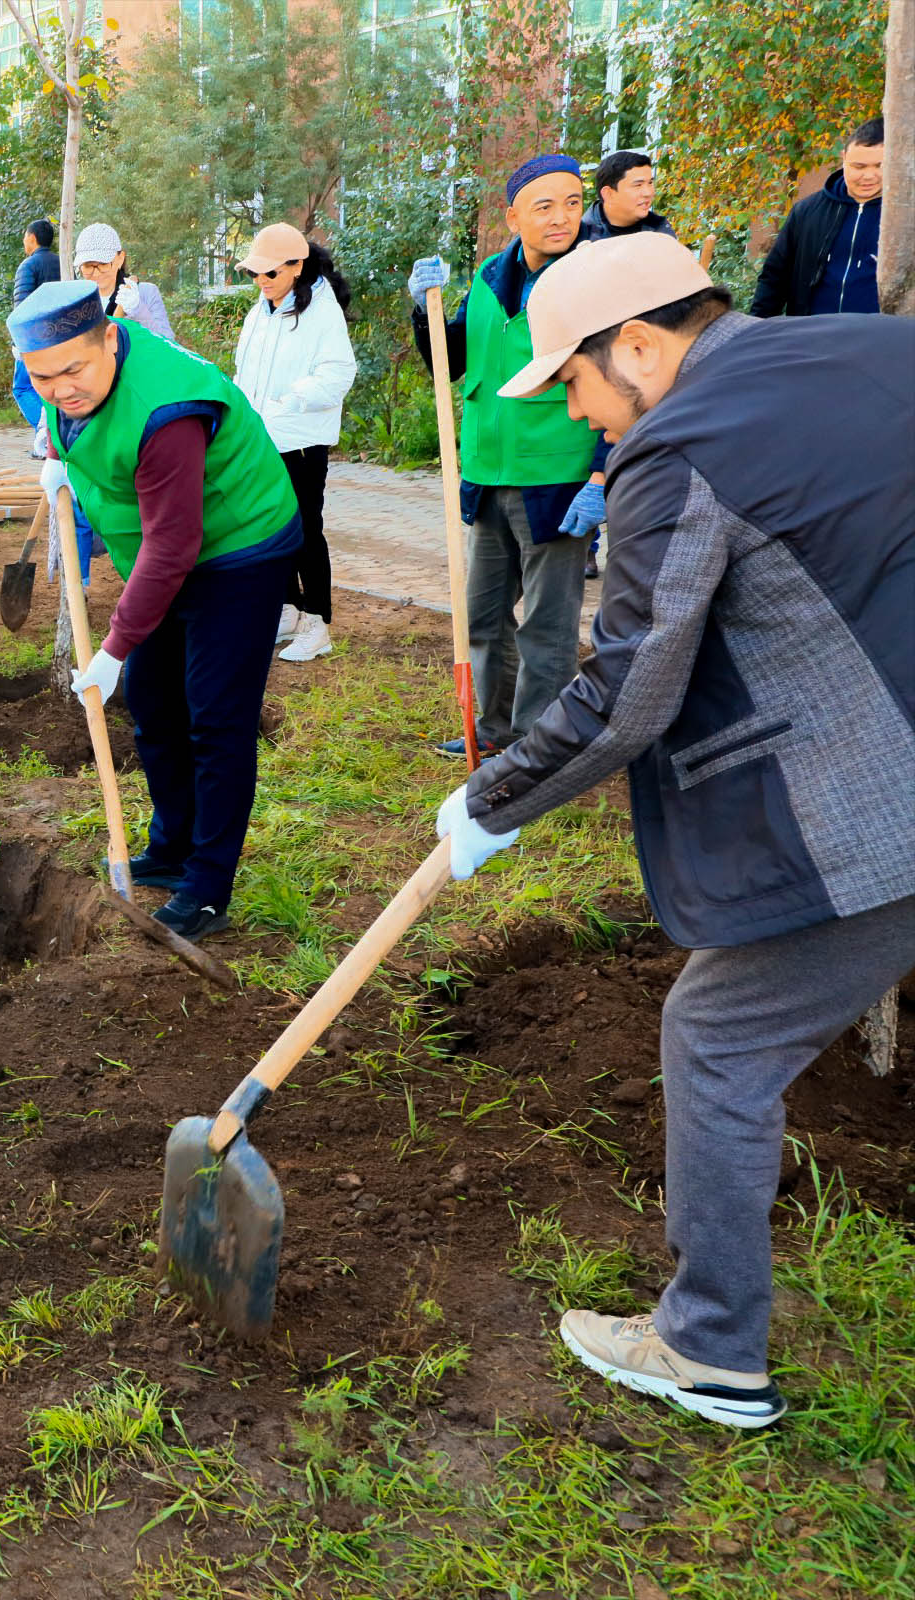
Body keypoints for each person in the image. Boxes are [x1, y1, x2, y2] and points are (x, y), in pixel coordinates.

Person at [434, 232, 915, 1428]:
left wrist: (490, 802)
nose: (580, 416)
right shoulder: (872, 349)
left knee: (718, 1036)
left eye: (576, 383)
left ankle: (710, 1350)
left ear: (640, 346)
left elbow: (627, 690)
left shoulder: (676, 446)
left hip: (888, 803)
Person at [16, 278, 301, 940]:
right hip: (165, 550)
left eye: (72, 371)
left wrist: (115, 646)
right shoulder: (70, 381)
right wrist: (58, 455)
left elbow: (174, 547)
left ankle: (207, 886)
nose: (60, 388)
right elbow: (65, 415)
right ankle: (172, 849)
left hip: (240, 547)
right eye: (42, 377)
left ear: (109, 340)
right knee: (153, 703)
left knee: (216, 718)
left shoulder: (166, 412)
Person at [409, 152, 607, 762]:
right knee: (483, 615)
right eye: (545, 206)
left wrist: (601, 475)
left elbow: (623, 384)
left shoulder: (597, 279)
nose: (561, 217)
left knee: (548, 622)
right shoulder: (491, 276)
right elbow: (452, 359)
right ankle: (493, 727)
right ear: (513, 216)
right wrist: (424, 310)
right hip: (486, 470)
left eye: (572, 203)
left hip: (557, 475)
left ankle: (538, 743)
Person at [232, 222, 357, 663]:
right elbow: (245, 371)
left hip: (301, 443)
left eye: (270, 273)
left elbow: (338, 373)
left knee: (305, 533)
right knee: (271, 528)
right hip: (262, 441)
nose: (261, 281)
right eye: (255, 273)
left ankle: (317, 622)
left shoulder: (322, 311)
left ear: (297, 266)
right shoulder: (260, 312)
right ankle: (286, 609)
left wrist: (288, 403)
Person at [751, 116, 886, 318]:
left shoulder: (906, 217)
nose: (868, 176)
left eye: (880, 166)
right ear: (843, 158)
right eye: (859, 166)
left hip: (882, 336)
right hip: (811, 333)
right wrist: (757, 329)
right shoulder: (806, 212)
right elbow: (774, 279)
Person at [12, 218, 62, 457]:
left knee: (22, 387)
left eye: (25, 236)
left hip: (34, 339)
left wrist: (19, 342)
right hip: (62, 335)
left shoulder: (28, 266)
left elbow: (22, 307)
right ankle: (53, 437)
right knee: (55, 386)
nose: (24, 241)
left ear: (32, 238)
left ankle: (44, 431)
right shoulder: (62, 263)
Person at [74, 224, 173, 340]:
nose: (96, 273)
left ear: (120, 259)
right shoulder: (76, 300)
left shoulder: (146, 293)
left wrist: (138, 309)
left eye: (103, 264)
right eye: (88, 266)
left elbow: (168, 341)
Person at [578, 150, 676, 242]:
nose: (648, 193)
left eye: (650, 183)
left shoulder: (659, 229)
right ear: (608, 194)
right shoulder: (580, 238)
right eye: (638, 185)